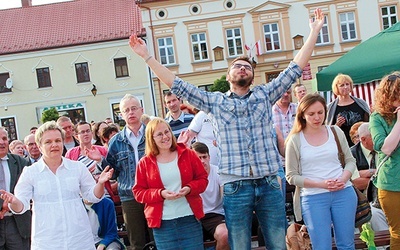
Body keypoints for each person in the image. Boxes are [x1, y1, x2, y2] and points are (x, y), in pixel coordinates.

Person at [129, 8, 325, 249]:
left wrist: (314, 31)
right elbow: (177, 85)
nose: (243, 68)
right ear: (229, 75)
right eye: (237, 66)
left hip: (269, 181)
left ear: (252, 76)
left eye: (247, 66)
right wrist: (147, 57)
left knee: (277, 243)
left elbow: (296, 67)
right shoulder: (215, 102)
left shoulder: (265, 94)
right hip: (235, 185)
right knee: (239, 244)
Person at [0, 121, 114, 250]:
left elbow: (93, 196)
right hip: (47, 241)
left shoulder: (77, 168)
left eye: (58, 141)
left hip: (79, 239)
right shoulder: (30, 172)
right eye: (48, 142)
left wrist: (100, 183)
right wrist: (13, 201)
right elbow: (21, 206)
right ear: (39, 145)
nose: (54, 145)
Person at [285, 93, 357, 250]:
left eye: (320, 112)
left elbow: (351, 161)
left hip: (343, 192)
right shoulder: (295, 139)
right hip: (313, 197)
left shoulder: (335, 132)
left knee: (347, 244)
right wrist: (321, 184)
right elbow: (291, 176)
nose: (317, 117)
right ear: (302, 115)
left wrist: (344, 179)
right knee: (321, 246)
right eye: (311, 114)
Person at [133, 118, 208, 250]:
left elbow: (202, 180)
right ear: (151, 138)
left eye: (167, 132)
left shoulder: (188, 154)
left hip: (189, 219)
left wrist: (189, 189)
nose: (165, 137)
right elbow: (138, 193)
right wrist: (160, 194)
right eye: (159, 134)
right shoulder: (144, 163)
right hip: (162, 224)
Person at [106, 94, 150, 250]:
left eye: (134, 108)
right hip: (129, 197)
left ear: (141, 110)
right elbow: (112, 170)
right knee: (136, 243)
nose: (131, 113)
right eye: (126, 110)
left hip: (154, 194)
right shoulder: (116, 141)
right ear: (121, 115)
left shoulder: (152, 135)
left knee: (157, 239)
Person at [369, 72, 400, 249]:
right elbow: (385, 147)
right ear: (388, 96)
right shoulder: (377, 118)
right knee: (398, 233)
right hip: (391, 183)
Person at [350, 122, 389, 232]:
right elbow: (355, 183)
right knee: (374, 215)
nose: (379, 138)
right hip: (362, 203)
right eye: (375, 136)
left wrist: (363, 174)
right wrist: (376, 173)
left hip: (385, 197)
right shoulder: (351, 154)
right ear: (363, 139)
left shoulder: (385, 149)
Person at [191, 142, 229, 250]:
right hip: (193, 216)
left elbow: (224, 196)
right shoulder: (187, 174)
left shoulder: (218, 172)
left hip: (215, 215)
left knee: (225, 235)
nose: (202, 161)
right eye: (199, 158)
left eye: (204, 157)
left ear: (209, 157)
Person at [0, 127, 31, 249]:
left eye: (4, 138)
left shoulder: (21, 162)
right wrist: (1, 205)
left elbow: (28, 188)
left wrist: (9, 205)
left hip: (17, 223)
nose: (1, 142)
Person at [326, 74, 370, 147]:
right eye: (342, 85)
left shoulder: (361, 103)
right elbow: (328, 130)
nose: (345, 87)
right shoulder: (330, 108)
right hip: (342, 145)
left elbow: (368, 122)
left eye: (347, 84)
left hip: (362, 143)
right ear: (336, 88)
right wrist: (337, 125)